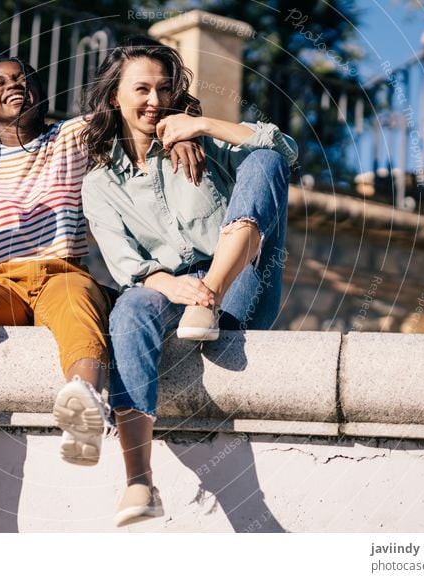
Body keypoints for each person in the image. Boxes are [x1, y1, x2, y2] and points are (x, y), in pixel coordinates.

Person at [0, 55, 205, 533]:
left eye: (22, 79)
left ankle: (86, 404)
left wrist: (182, 134)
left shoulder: (72, 137)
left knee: (79, 303)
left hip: (62, 271)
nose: (13, 85)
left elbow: (140, 109)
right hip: (0, 282)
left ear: (39, 93)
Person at [80, 37, 298, 527]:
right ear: (115, 96)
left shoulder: (203, 143)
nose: (154, 100)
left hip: (240, 283)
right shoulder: (100, 183)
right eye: (141, 89)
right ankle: (139, 478)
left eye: (163, 89)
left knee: (263, 160)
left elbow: (285, 149)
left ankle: (214, 293)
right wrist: (170, 285)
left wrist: (201, 124)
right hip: (172, 293)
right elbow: (123, 262)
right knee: (131, 306)